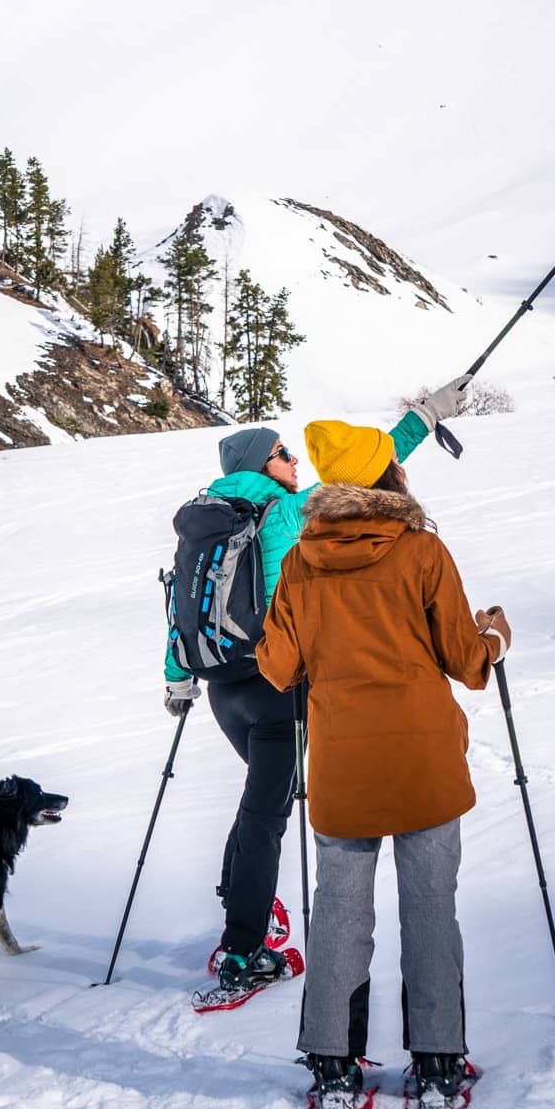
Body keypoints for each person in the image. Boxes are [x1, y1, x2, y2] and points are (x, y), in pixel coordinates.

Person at [163, 377, 470, 995]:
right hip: (277, 682)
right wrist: (425, 419)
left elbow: (182, 600)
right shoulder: (281, 512)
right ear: (261, 465)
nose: (293, 460)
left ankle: (242, 906)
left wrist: (178, 679)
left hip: (223, 689)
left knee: (259, 806)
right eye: (281, 453)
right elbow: (364, 474)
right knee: (266, 815)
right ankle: (243, 948)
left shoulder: (208, 516)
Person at [255, 418, 511, 1109]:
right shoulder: (421, 551)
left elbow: (277, 667)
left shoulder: (302, 562)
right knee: (431, 909)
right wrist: (495, 633)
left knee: (339, 911)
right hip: (423, 762)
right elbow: (466, 658)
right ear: (387, 477)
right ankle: (437, 1066)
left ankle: (334, 1069)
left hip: (343, 765)